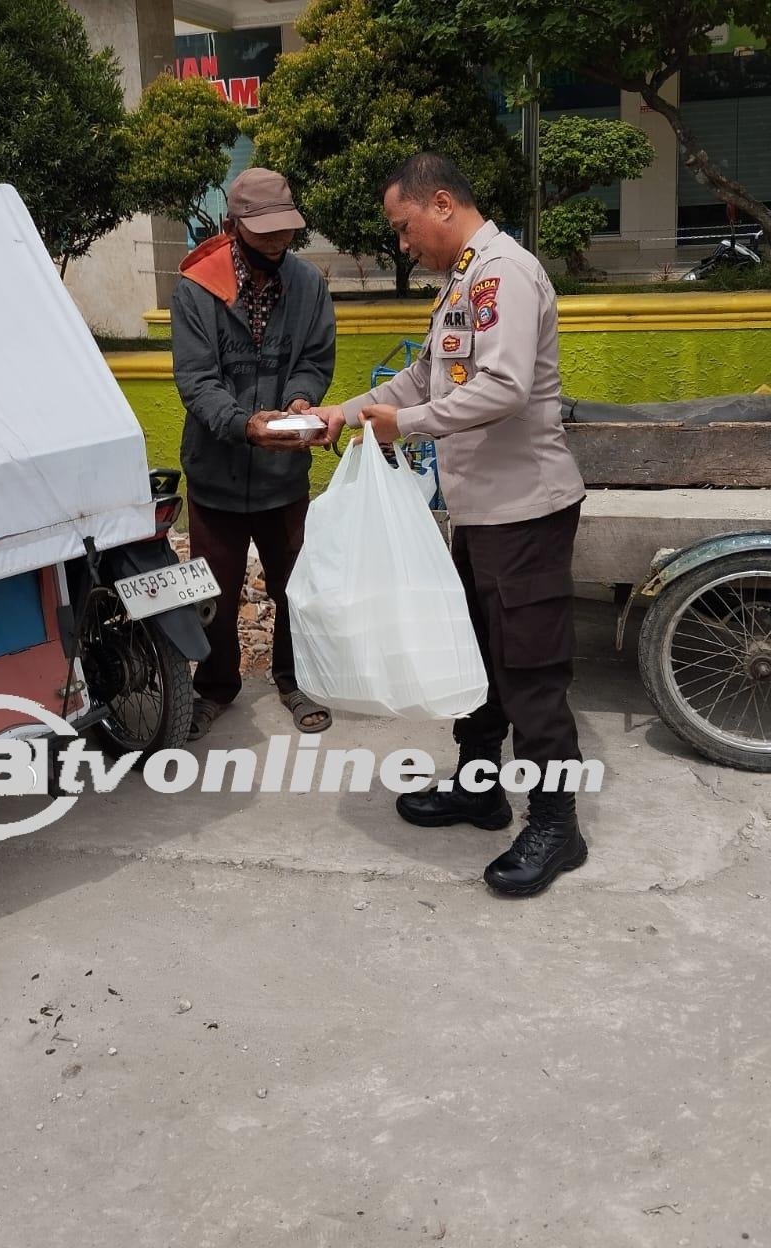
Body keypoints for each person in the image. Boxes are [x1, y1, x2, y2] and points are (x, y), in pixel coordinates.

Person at [311, 153, 590, 898]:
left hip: (525, 512)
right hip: (479, 515)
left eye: (404, 228)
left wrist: (405, 424)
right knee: (479, 664)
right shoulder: (463, 283)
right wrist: (343, 413)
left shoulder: (504, 274)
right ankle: (480, 787)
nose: (403, 244)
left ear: (440, 204)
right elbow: (424, 380)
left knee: (531, 678)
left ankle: (557, 824)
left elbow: (503, 388)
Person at [171, 168, 336, 741]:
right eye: (262, 232)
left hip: (283, 473)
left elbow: (315, 359)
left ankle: (295, 679)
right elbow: (196, 381)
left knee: (294, 582)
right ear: (231, 225)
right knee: (214, 588)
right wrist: (244, 425)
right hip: (216, 473)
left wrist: (301, 398)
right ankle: (216, 687)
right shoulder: (197, 288)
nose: (275, 242)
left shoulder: (308, 285)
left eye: (284, 231)